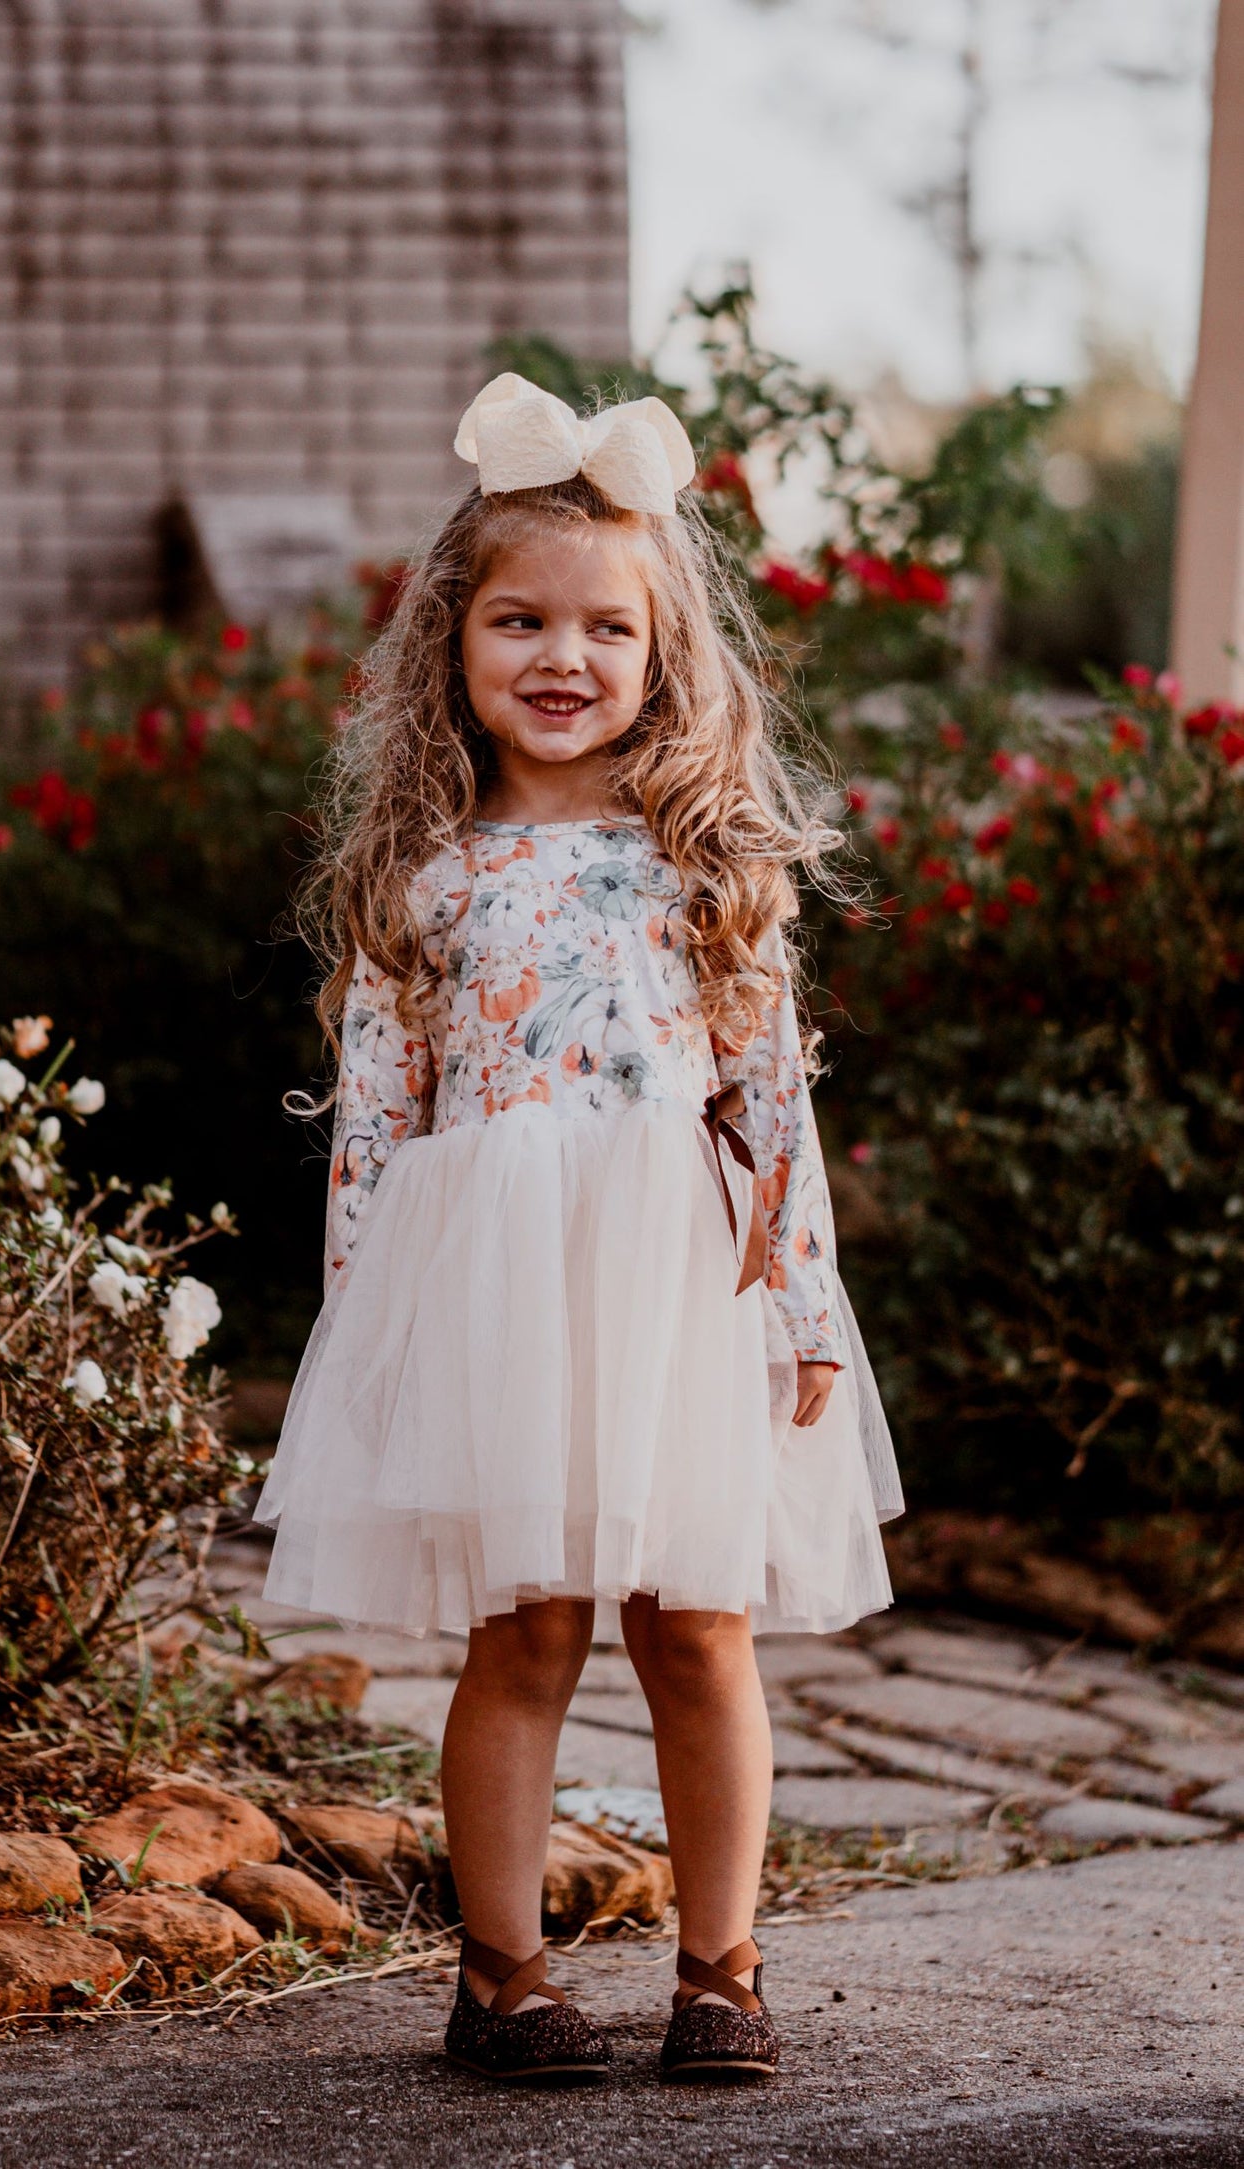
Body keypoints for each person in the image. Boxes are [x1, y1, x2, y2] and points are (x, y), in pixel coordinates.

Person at [256, 373, 903, 2084]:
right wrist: (362, 1337)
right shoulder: (429, 878)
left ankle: (723, 1963)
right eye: (520, 619)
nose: (563, 656)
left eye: (605, 627)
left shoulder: (707, 863)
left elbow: (772, 1109)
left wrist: (806, 1307)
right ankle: (502, 1973)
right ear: (451, 649)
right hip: (488, 1295)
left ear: (661, 652)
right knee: (524, 1626)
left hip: (682, 1281)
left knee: (694, 1617)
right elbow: (377, 1138)